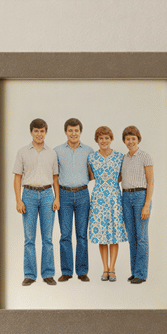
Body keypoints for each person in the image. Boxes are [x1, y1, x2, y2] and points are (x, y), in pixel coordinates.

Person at [13, 119, 60, 286]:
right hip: (29, 195)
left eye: (42, 131)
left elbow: (55, 178)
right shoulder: (22, 152)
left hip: (48, 194)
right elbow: (17, 177)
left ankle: (48, 274)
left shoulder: (52, 153)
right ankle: (30, 274)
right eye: (36, 131)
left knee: (47, 237)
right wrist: (19, 200)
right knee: (29, 238)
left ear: (46, 132)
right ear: (31, 132)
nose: (39, 134)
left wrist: (57, 198)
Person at [53, 118, 92, 283]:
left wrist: (80, 183)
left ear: (81, 132)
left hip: (83, 194)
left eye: (76, 130)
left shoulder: (89, 151)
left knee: (82, 234)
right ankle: (67, 271)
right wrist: (57, 197)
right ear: (65, 132)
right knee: (65, 234)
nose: (73, 133)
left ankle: (82, 271)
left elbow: (92, 173)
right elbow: (55, 176)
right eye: (70, 130)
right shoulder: (57, 151)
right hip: (65, 195)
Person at [87, 126, 127, 282]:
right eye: (101, 138)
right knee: (101, 235)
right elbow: (90, 176)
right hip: (98, 199)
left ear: (111, 139)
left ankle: (113, 268)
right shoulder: (91, 158)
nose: (104, 141)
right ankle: (105, 268)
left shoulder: (119, 157)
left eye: (106, 138)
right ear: (97, 140)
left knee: (114, 234)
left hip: (114, 198)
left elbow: (121, 177)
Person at [119, 125, 154, 285]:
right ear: (124, 141)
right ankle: (134, 272)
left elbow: (150, 181)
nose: (131, 141)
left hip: (141, 197)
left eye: (133, 138)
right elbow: (118, 178)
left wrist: (146, 205)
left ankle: (141, 273)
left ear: (138, 139)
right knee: (131, 237)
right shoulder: (123, 158)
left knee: (141, 238)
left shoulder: (145, 156)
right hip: (126, 197)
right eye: (128, 139)